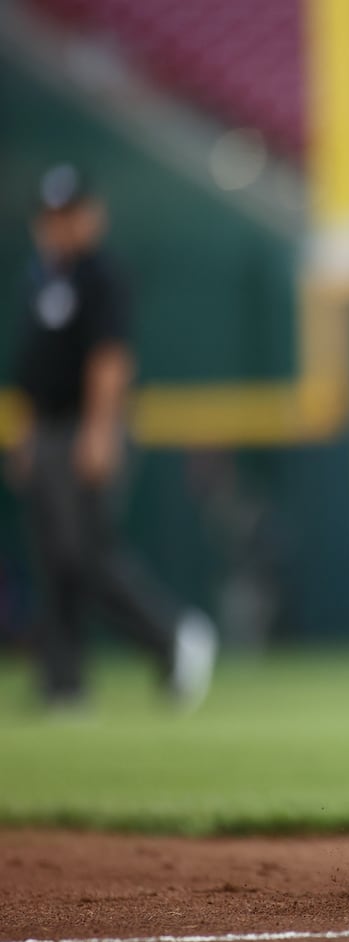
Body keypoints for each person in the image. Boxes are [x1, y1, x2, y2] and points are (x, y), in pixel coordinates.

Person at [7, 163, 218, 713]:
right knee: (55, 556)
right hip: (50, 427)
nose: (60, 226)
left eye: (69, 215)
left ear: (91, 216)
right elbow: (36, 368)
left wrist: (99, 432)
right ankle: (63, 682)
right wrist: (28, 434)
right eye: (51, 217)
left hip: (86, 427)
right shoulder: (44, 277)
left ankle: (171, 636)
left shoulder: (102, 274)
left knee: (87, 553)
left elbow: (110, 359)